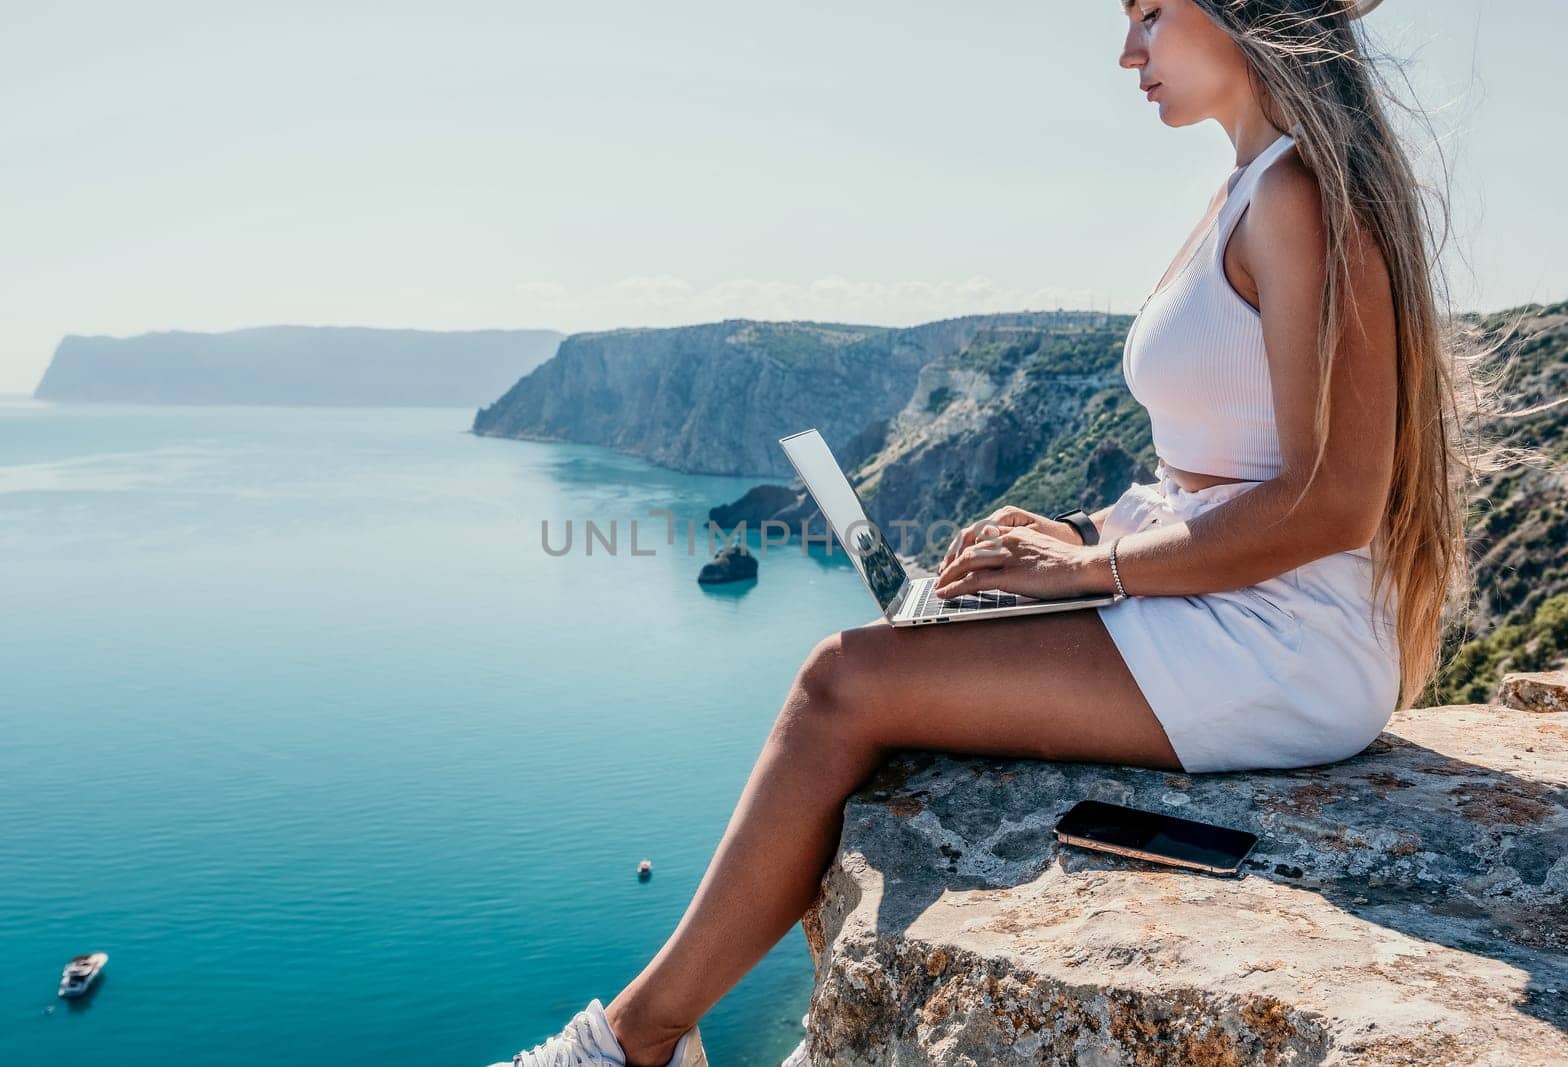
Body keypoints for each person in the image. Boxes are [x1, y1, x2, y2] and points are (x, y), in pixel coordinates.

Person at [502, 0, 1494, 1063]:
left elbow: (1331, 500)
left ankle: (633, 1043)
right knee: (879, 665)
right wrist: (1074, 534)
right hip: (1231, 607)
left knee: (843, 684)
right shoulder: (1252, 188)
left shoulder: (1295, 195)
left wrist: (1091, 566)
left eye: (1150, 13)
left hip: (1282, 640)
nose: (1127, 52)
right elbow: (1220, 463)